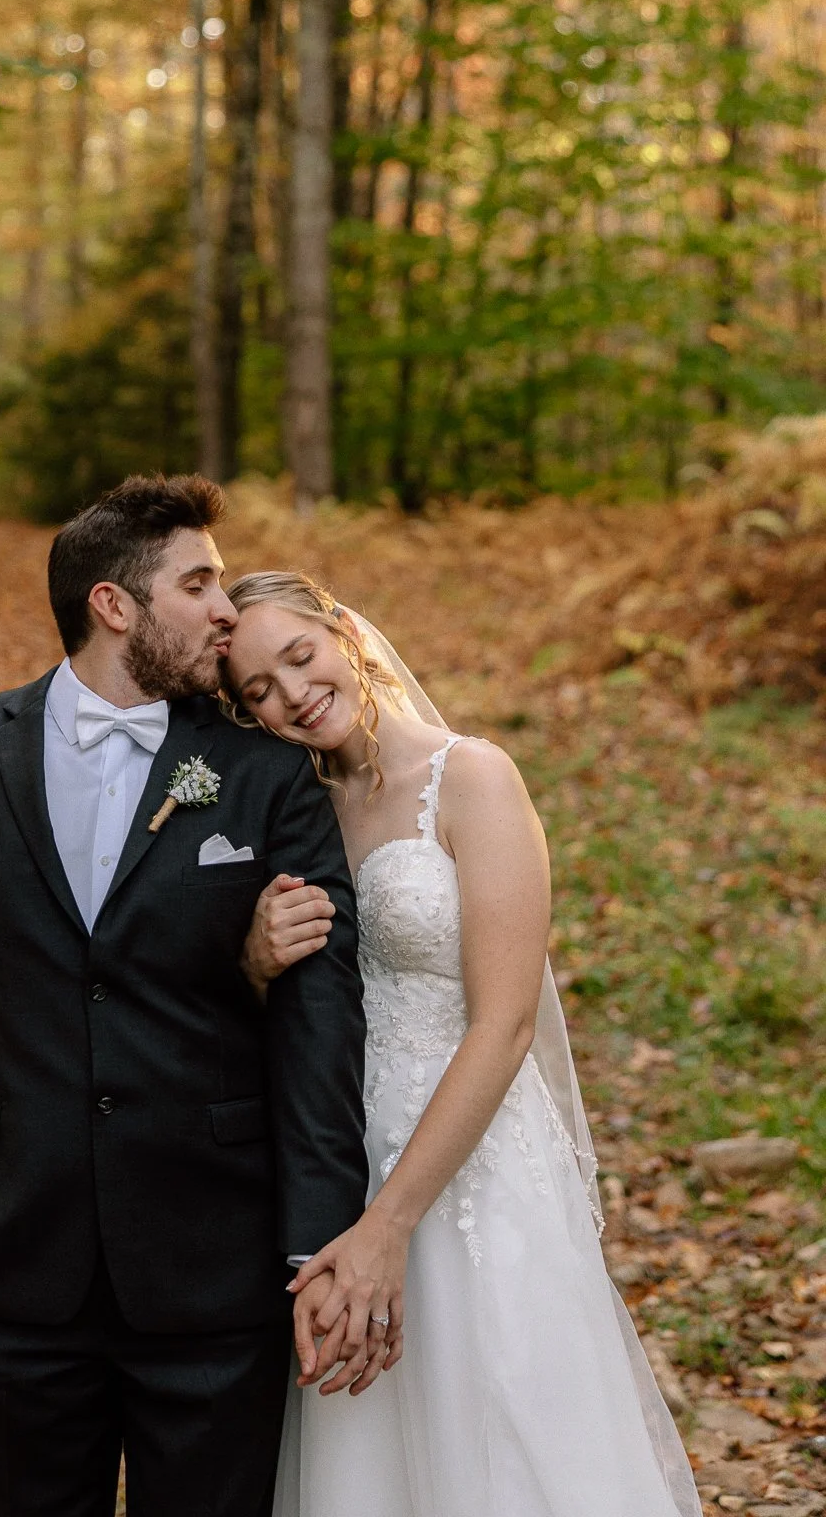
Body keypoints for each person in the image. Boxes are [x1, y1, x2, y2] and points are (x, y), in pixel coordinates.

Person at [0, 478, 369, 1517]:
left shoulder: (265, 771)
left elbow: (321, 1014)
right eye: (199, 584)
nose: (225, 610)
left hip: (215, 1262)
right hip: (5, 1257)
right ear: (113, 605)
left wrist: (314, 1238)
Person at [224, 570, 701, 1517]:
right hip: (346, 1161)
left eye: (301, 656)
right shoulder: (296, 808)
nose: (293, 695)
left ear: (343, 630)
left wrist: (388, 1227)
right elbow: (292, 1009)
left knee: (509, 1435)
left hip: (476, 1168)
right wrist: (255, 961)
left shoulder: (472, 777)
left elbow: (506, 1022)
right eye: (259, 692)